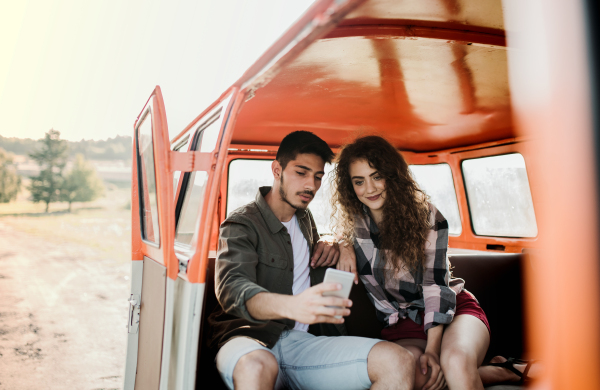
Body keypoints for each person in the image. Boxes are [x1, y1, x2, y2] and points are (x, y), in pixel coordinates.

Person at [207, 131, 416, 390]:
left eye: (318, 177)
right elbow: (232, 289)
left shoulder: (304, 219)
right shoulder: (241, 224)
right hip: (248, 339)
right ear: (277, 170)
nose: (311, 186)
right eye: (301, 172)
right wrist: (292, 306)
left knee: (398, 361)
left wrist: (339, 244)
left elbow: (330, 238)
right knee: (258, 367)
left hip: (300, 343)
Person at [332, 135, 534, 390]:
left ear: (392, 175)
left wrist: (433, 350)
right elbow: (330, 236)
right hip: (402, 323)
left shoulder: (427, 217)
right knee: (415, 376)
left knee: (455, 363)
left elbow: (435, 287)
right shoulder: (353, 225)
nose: (369, 188)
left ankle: (493, 371)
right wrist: (341, 244)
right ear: (351, 187)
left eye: (376, 176)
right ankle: (499, 371)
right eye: (359, 181)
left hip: (453, 311)